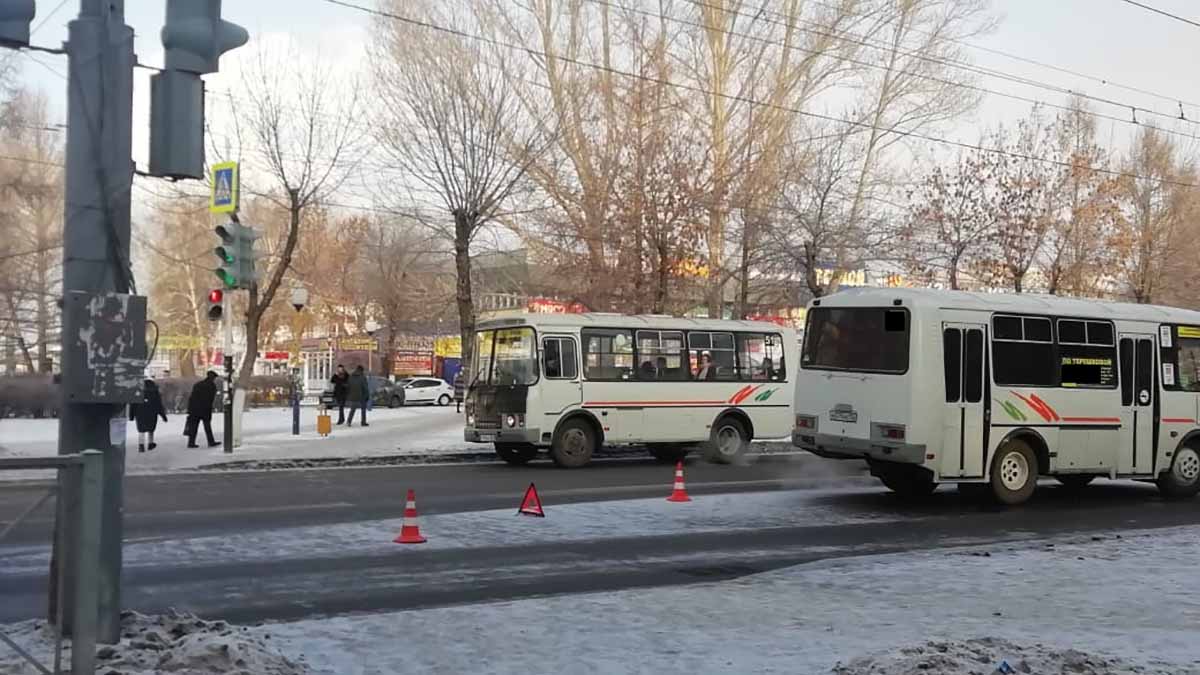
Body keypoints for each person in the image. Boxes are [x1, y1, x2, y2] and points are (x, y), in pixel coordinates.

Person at [129, 378, 168, 452]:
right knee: (151, 429)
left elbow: (133, 404)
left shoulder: (137, 392)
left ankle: (141, 445)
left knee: (141, 430)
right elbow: (158, 405)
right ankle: (150, 444)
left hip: (140, 414)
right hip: (152, 413)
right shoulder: (155, 392)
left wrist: (131, 416)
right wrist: (163, 416)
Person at [185, 371, 220, 448]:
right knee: (207, 426)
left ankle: (191, 442)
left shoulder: (198, 384)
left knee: (194, 426)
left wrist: (190, 409)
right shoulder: (212, 386)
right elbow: (211, 399)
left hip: (195, 409)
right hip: (205, 409)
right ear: (213, 378)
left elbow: (192, 397)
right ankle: (211, 441)